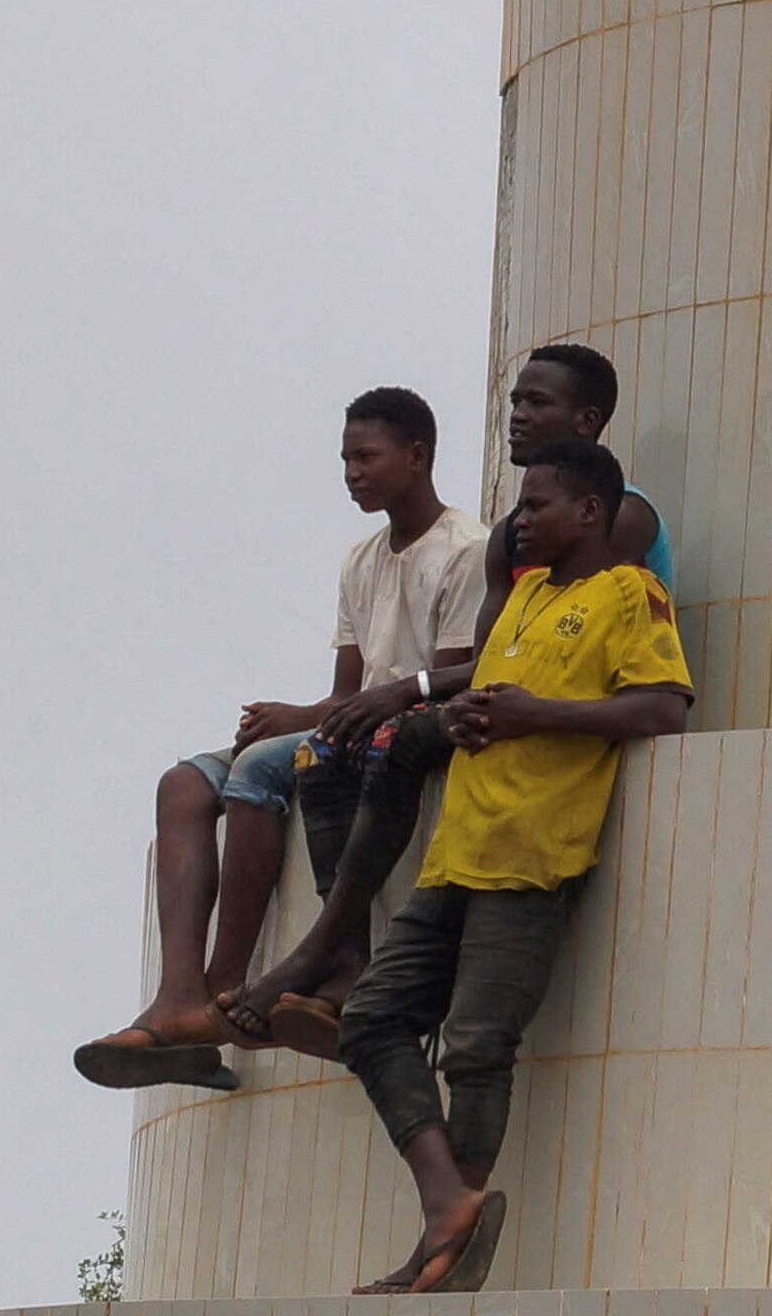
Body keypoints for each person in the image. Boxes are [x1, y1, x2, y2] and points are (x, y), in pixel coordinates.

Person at [225, 341, 666, 1052]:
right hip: (502, 702)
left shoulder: (619, 519)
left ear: (586, 419)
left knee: (394, 738)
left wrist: (411, 688)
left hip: (569, 717)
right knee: (329, 752)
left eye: (536, 402)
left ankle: (324, 949)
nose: (516, 415)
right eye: (514, 400)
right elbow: (498, 655)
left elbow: (570, 649)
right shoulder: (511, 536)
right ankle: (337, 959)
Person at [333, 434, 692, 1295]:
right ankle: (449, 1200)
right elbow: (487, 695)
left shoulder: (627, 593)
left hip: (534, 854)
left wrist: (542, 715)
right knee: (371, 1018)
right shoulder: (524, 597)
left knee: (477, 1048)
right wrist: (462, 722)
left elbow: (665, 704)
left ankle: (442, 1249)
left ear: (589, 511)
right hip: (459, 850)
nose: (520, 520)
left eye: (537, 505)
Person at [72, 388, 480, 1090]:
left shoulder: (463, 550)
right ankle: (180, 997)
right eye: (346, 457)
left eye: (366, 456)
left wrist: (302, 723)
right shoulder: (361, 558)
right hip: (351, 719)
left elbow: (443, 681)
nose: (352, 471)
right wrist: (296, 711)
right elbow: (346, 690)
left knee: (262, 767)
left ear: (417, 457)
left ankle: (226, 984)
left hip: (401, 725)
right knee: (183, 781)